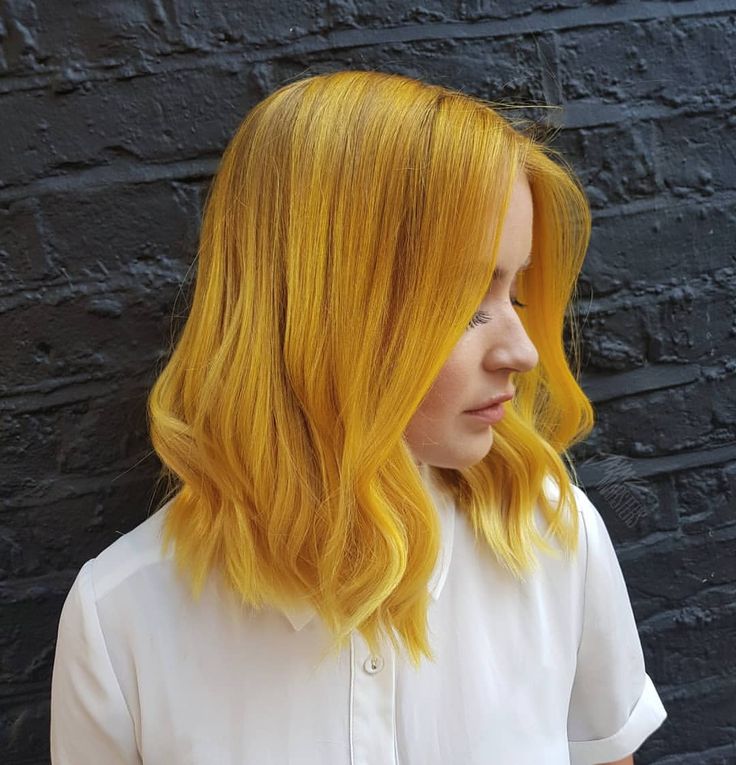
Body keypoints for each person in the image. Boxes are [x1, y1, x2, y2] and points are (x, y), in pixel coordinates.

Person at [49, 69, 667, 764]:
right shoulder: (122, 620)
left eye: (515, 293)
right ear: (322, 310)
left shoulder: (550, 534)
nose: (522, 353)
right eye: (465, 301)